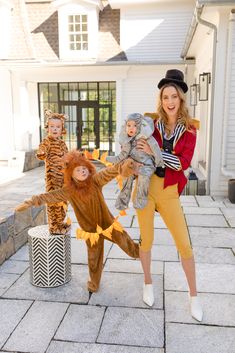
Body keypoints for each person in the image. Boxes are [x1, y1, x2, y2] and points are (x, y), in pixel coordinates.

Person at [15, 151, 139, 293]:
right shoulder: (69, 191)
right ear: (71, 174)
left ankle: (141, 253)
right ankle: (94, 282)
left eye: (84, 169)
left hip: (108, 225)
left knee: (126, 243)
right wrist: (32, 201)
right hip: (91, 232)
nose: (82, 172)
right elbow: (51, 196)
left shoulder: (95, 181)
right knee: (93, 259)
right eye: (78, 170)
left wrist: (123, 166)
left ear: (89, 169)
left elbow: (109, 172)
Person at [135, 69, 203, 322]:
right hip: (144, 187)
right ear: (161, 99)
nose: (170, 102)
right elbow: (137, 146)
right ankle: (148, 282)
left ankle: (194, 295)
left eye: (174, 96)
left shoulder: (191, 130)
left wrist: (155, 153)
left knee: (184, 243)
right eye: (165, 97)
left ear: (181, 98)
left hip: (169, 191)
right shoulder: (150, 123)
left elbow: (183, 164)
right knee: (147, 240)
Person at [106, 113, 163, 210]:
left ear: (140, 126)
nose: (131, 128)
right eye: (129, 125)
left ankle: (140, 201)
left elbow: (156, 149)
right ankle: (122, 202)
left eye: (135, 125)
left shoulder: (147, 138)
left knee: (143, 177)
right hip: (133, 163)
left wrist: (159, 163)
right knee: (126, 176)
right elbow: (123, 154)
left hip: (146, 164)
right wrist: (113, 159)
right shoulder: (127, 141)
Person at [36, 109, 69, 235]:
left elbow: (68, 158)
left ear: (62, 129)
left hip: (64, 179)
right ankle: (54, 226)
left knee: (64, 202)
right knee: (53, 203)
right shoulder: (47, 142)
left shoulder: (62, 143)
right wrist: (41, 152)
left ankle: (61, 223)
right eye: (52, 126)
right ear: (47, 128)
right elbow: (41, 149)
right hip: (53, 180)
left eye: (58, 127)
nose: (55, 129)